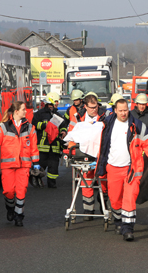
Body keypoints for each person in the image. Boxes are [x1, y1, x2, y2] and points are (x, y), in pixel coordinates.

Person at [96, 98, 148, 241]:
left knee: (129, 198)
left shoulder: (138, 125)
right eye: (120, 110)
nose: (123, 113)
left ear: (129, 109)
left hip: (132, 169)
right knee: (114, 199)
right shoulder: (106, 124)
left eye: (125, 110)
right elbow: (98, 143)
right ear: (115, 110)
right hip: (113, 168)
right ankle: (118, 221)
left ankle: (128, 229)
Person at [0, 101, 40, 227]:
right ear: (16, 111)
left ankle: (19, 216)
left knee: (21, 190)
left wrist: (36, 162)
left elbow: (33, 147)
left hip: (24, 165)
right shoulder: (2, 127)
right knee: (9, 191)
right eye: (23, 109)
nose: (25, 111)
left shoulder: (30, 128)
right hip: (8, 166)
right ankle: (10, 208)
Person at [67, 92, 107, 220]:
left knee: (105, 182)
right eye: (91, 107)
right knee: (86, 182)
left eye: (95, 107)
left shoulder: (105, 116)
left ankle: (104, 205)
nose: (94, 110)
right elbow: (71, 135)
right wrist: (72, 151)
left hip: (100, 153)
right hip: (84, 154)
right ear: (85, 106)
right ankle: (88, 211)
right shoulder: (77, 117)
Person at [32, 92, 65, 188]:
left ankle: (52, 184)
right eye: (56, 102)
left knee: (53, 167)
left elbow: (63, 126)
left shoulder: (58, 115)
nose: (57, 103)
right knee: (40, 166)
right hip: (43, 146)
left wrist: (63, 131)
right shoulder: (40, 114)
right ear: (50, 102)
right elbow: (34, 125)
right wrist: (45, 125)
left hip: (54, 146)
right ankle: (36, 179)